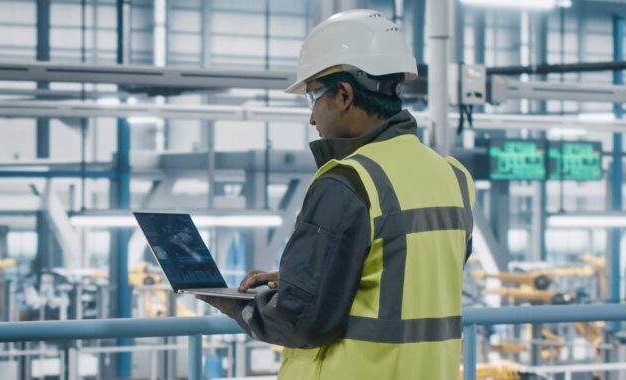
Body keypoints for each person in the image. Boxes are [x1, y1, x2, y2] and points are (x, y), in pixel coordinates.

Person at [197, 9, 476, 379]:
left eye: (313, 96)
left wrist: (233, 305)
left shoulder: (348, 181)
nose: (312, 117)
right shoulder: (453, 177)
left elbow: (300, 321)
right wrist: (315, 271)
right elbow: (408, 272)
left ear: (344, 95)